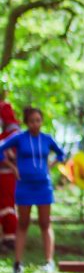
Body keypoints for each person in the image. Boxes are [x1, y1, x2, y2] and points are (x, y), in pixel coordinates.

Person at [0, 107, 65, 273]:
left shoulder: (47, 139)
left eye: (38, 120)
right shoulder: (19, 138)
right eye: (31, 121)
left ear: (41, 121)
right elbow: (1, 150)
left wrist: (50, 166)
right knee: (23, 223)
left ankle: (49, 261)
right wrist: (13, 167)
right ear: (26, 122)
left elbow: (61, 154)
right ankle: (18, 263)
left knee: (45, 223)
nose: (35, 124)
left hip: (43, 186)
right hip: (24, 186)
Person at [0, 101, 20, 252]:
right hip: (11, 176)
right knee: (7, 205)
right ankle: (8, 237)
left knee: (6, 206)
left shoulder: (8, 137)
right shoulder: (19, 136)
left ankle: (9, 238)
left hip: (7, 176)